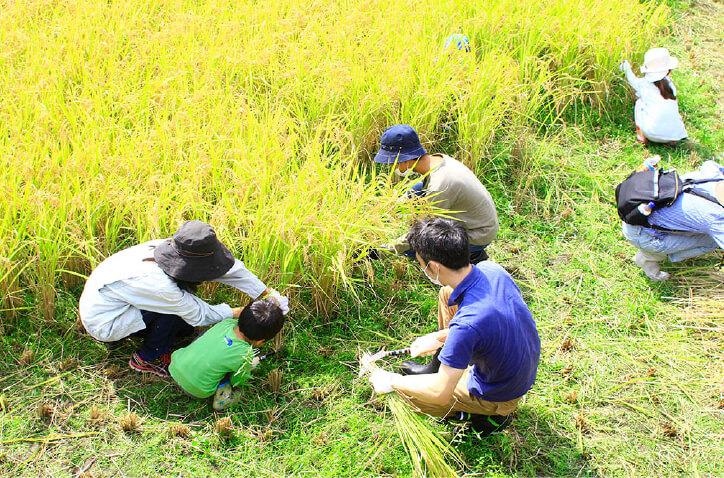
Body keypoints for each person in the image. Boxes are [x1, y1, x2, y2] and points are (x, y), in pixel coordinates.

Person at [368, 218, 540, 434]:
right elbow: (486, 322)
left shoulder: (467, 326)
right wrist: (439, 338)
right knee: (447, 293)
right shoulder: (491, 269)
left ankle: (486, 415)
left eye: (420, 263)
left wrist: (391, 380)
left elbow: (439, 393)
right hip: (517, 365)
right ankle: (443, 364)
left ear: (433, 267)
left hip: (501, 392)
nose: (421, 266)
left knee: (411, 395)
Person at [79, 220, 289, 377]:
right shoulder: (160, 285)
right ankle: (148, 357)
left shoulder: (178, 249)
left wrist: (265, 293)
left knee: (184, 327)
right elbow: (199, 314)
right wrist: (242, 312)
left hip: (115, 302)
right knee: (178, 313)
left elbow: (229, 270)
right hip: (105, 321)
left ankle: (157, 333)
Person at [374, 124, 499, 263]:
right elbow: (420, 190)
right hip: (477, 218)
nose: (391, 166)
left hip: (478, 233)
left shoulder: (439, 186)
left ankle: (472, 257)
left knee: (419, 247)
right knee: (415, 190)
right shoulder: (437, 160)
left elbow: (421, 232)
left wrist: (386, 249)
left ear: (406, 159)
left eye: (392, 162)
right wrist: (392, 207)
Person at [169, 298, 284, 410]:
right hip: (197, 389)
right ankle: (223, 401)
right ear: (260, 341)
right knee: (229, 378)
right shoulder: (245, 355)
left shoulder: (226, 322)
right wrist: (250, 364)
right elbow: (237, 381)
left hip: (175, 365)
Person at [622, 161, 723, 281]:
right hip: (642, 234)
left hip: (641, 208)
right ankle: (648, 258)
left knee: (706, 228)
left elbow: (708, 163)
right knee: (712, 241)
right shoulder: (716, 218)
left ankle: (674, 245)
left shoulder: (715, 173)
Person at [620, 48, 687, 145]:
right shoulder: (670, 85)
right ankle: (670, 140)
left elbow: (632, 80)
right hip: (675, 135)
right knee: (669, 107)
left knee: (639, 102)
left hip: (652, 134)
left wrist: (626, 68)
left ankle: (641, 135)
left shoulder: (644, 84)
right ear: (668, 70)